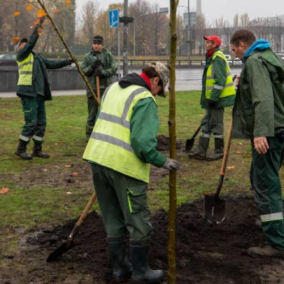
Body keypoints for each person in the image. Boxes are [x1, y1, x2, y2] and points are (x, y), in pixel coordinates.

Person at [83, 62, 179, 283]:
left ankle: (120, 269)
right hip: (124, 167)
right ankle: (140, 272)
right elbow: (142, 143)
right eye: (160, 88)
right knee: (137, 219)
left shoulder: (113, 88)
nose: (158, 93)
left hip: (98, 160)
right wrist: (163, 161)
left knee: (112, 217)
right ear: (155, 80)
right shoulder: (144, 99)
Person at [230, 29, 284, 257]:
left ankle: (277, 242)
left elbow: (263, 97)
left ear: (242, 44)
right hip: (280, 128)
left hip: (269, 131)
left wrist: (261, 132)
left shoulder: (253, 61)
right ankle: (271, 219)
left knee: (265, 182)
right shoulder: (268, 56)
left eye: (233, 50)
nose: (233, 55)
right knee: (259, 175)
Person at [15, 17, 73, 160]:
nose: (26, 45)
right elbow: (31, 44)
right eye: (23, 44)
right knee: (31, 122)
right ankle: (20, 149)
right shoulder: (21, 55)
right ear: (20, 48)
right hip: (28, 92)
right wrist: (38, 26)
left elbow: (51, 64)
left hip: (39, 94)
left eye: (26, 43)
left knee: (41, 123)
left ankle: (37, 149)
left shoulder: (37, 58)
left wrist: (67, 61)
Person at [189, 35, 236, 161]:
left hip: (217, 99)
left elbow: (220, 80)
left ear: (214, 45)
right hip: (212, 99)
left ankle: (219, 151)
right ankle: (201, 151)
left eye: (208, 42)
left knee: (216, 125)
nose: (206, 44)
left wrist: (213, 98)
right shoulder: (211, 57)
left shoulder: (217, 58)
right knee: (206, 123)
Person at [81, 35, 117, 142]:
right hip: (93, 89)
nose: (96, 46)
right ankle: (90, 135)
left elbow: (114, 67)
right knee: (92, 113)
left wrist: (103, 73)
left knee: (106, 112)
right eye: (95, 43)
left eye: (98, 44)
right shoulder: (88, 57)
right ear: (92, 44)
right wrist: (92, 67)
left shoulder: (108, 55)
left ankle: (106, 133)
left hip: (106, 89)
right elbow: (83, 70)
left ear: (102, 44)